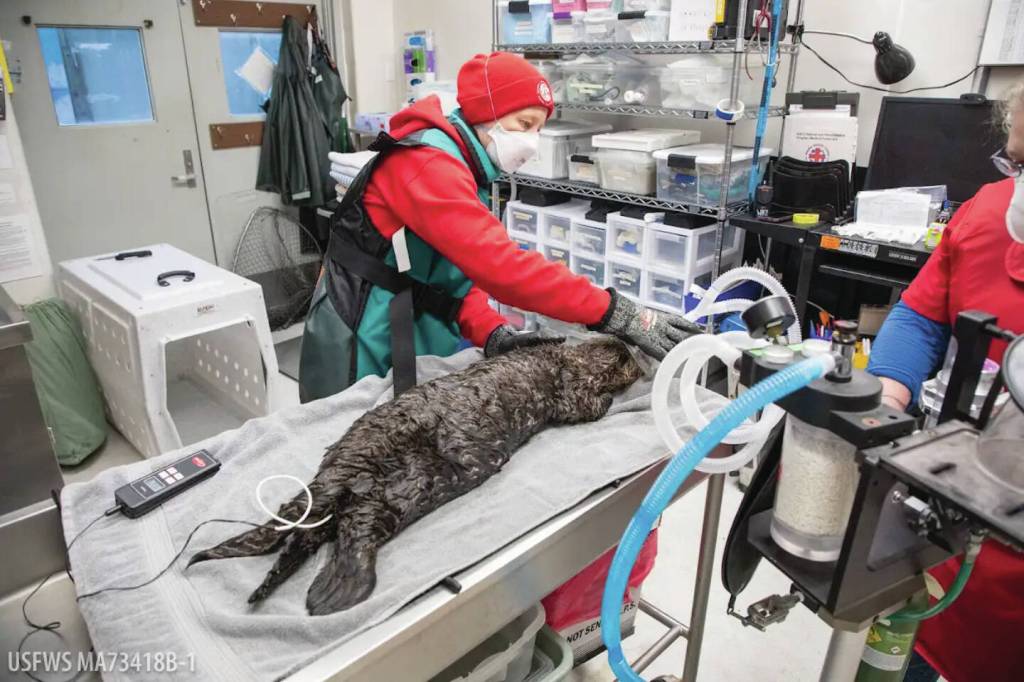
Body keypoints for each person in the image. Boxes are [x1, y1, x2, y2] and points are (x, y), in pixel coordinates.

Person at [299, 53, 696, 402]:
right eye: (524, 124)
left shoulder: (464, 164)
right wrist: (613, 311)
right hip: (362, 336)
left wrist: (491, 332)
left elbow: (450, 277)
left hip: (412, 321)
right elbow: (501, 268)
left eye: (539, 129)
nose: (533, 144)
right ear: (486, 113)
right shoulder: (426, 164)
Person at [867, 80, 1024, 682]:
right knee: (913, 641)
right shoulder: (988, 209)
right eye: (1017, 162)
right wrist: (888, 391)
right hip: (949, 503)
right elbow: (924, 313)